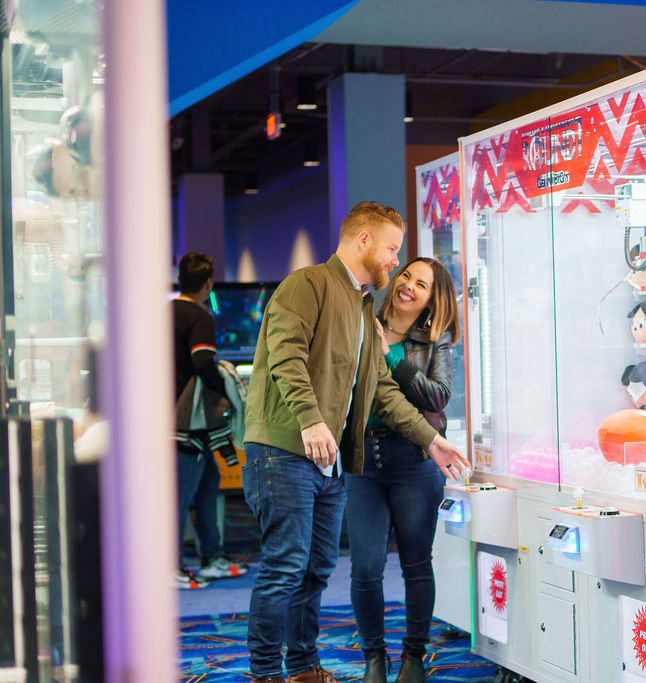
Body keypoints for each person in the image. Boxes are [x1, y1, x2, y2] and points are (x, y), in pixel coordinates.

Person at [242, 202, 470, 683]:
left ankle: (303, 668)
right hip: (285, 449)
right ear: (363, 240)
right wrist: (309, 419)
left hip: (329, 460)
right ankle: (264, 674)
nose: (394, 262)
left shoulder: (364, 307)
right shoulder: (308, 285)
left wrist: (431, 440)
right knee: (285, 566)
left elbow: (382, 391)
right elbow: (287, 355)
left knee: (315, 569)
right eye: (391, 249)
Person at [347, 257, 460, 683]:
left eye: (422, 284)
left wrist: (391, 358)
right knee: (364, 568)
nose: (408, 285)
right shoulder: (362, 319)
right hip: (362, 459)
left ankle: (414, 656)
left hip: (414, 459)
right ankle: (374, 658)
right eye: (406, 276)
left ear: (433, 299)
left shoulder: (435, 339)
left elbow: (438, 397)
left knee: (416, 563)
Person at [172, 252, 249, 589]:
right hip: (189, 421)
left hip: (171, 416)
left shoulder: (164, 313)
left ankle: (213, 558)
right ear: (208, 283)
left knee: (208, 484)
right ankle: (169, 567)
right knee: (179, 495)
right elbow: (202, 360)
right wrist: (223, 390)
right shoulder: (199, 316)